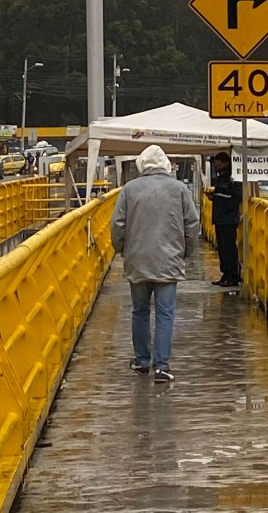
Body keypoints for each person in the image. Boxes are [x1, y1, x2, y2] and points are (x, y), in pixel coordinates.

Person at [111, 144, 199, 383]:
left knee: (139, 311)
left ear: (142, 164)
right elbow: (192, 223)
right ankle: (162, 366)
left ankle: (142, 361)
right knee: (165, 314)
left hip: (137, 259)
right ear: (166, 165)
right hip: (169, 260)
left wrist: (122, 249)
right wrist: (186, 252)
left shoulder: (129, 189)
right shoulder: (179, 189)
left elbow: (117, 224)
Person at [206, 151, 242, 287]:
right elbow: (222, 194)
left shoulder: (233, 177)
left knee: (229, 249)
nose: (216, 164)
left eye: (218, 162)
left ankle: (233, 276)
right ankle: (225, 274)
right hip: (220, 218)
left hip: (228, 219)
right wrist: (214, 197)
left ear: (226, 162)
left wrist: (226, 208)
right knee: (222, 248)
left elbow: (237, 196)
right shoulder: (221, 177)